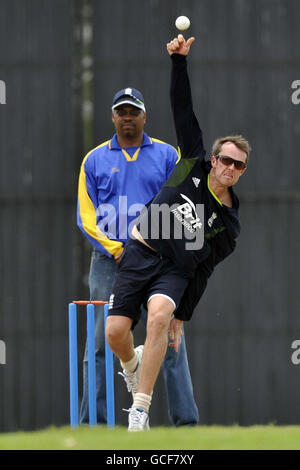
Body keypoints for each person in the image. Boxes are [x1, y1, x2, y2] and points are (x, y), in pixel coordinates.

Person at [105, 34, 251, 432]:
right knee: (116, 333)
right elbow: (183, 109)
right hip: (140, 249)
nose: (228, 168)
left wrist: (181, 317)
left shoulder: (229, 223)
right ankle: (132, 366)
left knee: (157, 318)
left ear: (241, 173)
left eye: (237, 166)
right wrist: (178, 62)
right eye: (224, 159)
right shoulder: (191, 165)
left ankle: (140, 411)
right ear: (214, 158)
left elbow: (204, 271)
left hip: (175, 271)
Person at [77, 86, 199, 426]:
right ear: (113, 117)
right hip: (109, 260)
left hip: (158, 260)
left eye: (134, 111)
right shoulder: (95, 159)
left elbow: (185, 205)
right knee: (101, 344)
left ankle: (185, 425)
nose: (127, 117)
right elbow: (86, 217)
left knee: (171, 340)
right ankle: (95, 427)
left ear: (144, 116)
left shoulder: (166, 155)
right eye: (122, 112)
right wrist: (116, 249)